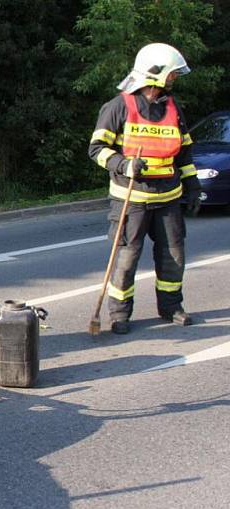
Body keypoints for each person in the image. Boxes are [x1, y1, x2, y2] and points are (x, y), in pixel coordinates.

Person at [88, 43, 201, 334]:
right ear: (155, 73)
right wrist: (124, 165)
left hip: (168, 198)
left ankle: (171, 307)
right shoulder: (118, 107)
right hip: (132, 198)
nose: (174, 79)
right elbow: (96, 149)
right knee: (126, 259)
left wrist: (192, 183)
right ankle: (120, 315)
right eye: (172, 74)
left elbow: (184, 151)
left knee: (173, 256)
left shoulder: (172, 108)